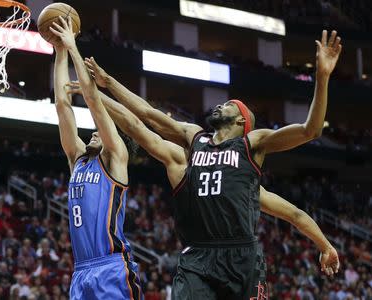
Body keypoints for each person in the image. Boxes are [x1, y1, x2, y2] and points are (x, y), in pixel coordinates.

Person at [79, 29, 342, 299]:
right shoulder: (195, 139)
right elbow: (147, 115)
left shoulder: (252, 146)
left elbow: (309, 133)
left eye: (229, 104)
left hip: (242, 257)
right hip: (198, 256)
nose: (220, 105)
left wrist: (321, 77)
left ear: (242, 121)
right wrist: (107, 83)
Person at [49, 16, 142, 300]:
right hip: (81, 271)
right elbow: (63, 106)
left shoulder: (116, 155)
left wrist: (73, 47)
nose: (94, 132)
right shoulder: (78, 159)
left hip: (112, 268)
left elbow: (92, 100)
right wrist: (60, 52)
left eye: (101, 132)